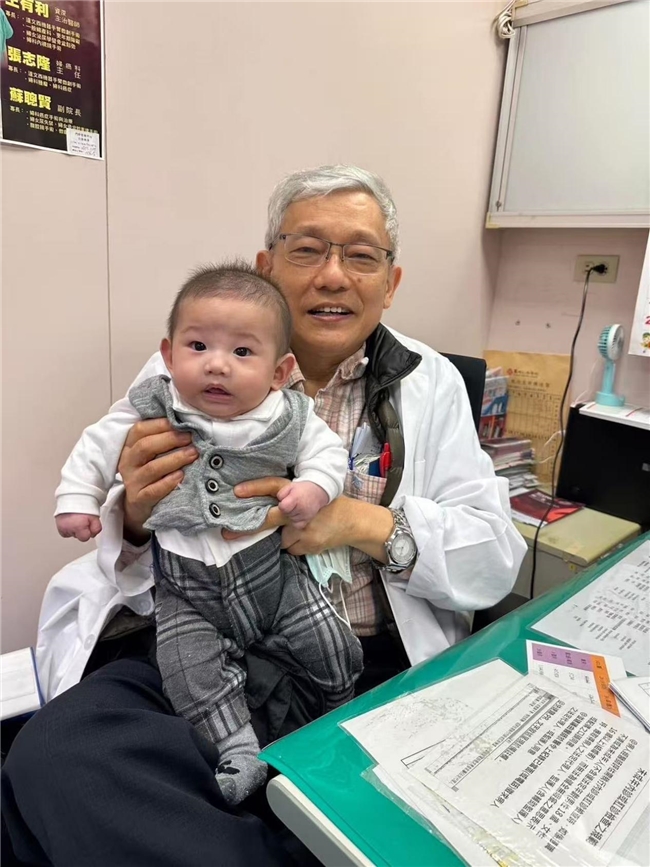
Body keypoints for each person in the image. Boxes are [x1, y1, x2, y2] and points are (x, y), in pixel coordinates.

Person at [2, 165, 527, 867]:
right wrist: (134, 515)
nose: (333, 276)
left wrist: (360, 523)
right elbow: (119, 524)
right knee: (56, 758)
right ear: (266, 265)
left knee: (357, 805)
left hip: (358, 662)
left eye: (361, 255)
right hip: (197, 639)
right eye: (306, 249)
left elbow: (494, 558)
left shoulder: (430, 382)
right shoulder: (192, 367)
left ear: (391, 282)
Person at [53, 262, 362, 806]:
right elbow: (97, 444)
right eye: (198, 347)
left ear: (279, 371)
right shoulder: (156, 401)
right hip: (186, 592)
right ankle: (239, 753)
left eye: (242, 352)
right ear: (169, 355)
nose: (217, 364)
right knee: (188, 673)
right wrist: (79, 498)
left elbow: (327, 452)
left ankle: (345, 709)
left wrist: (314, 487)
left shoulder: (287, 413)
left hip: (274, 580)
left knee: (330, 643)